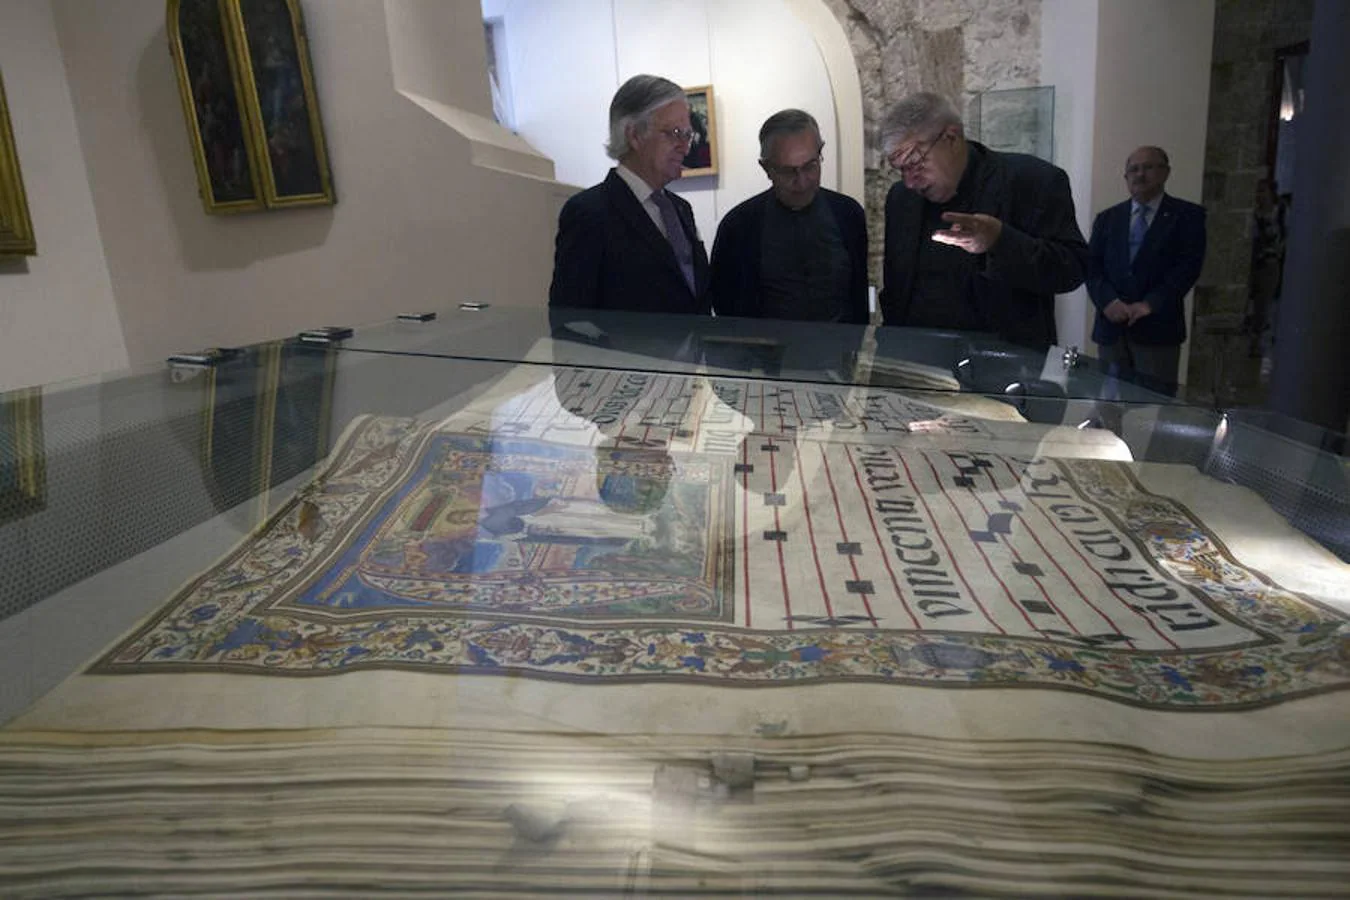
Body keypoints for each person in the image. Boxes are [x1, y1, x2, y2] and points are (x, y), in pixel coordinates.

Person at [878, 92, 1089, 351]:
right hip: (918, 364)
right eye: (901, 170)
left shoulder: (1033, 181)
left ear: (951, 137)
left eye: (915, 163)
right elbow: (896, 289)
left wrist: (1000, 240)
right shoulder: (901, 199)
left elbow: (1071, 270)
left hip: (1005, 367)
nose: (910, 181)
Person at [549, 75, 711, 315]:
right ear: (634, 135)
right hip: (628, 353)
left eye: (687, 135)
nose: (685, 146)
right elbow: (571, 318)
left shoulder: (680, 209)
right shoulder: (589, 213)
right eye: (675, 133)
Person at [709, 109, 869, 324]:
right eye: (788, 171)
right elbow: (725, 306)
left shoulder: (848, 214)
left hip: (839, 352)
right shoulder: (738, 227)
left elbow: (858, 296)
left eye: (810, 166)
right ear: (766, 168)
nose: (802, 181)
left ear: (821, 154)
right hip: (763, 355)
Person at [1086, 146, 1206, 396]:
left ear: (1166, 172)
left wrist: (1150, 304)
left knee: (1154, 409)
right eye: (1133, 169)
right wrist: (1108, 302)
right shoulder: (1107, 218)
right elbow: (1091, 266)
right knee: (1109, 404)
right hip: (1111, 328)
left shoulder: (1188, 217)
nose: (1140, 175)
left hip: (1157, 327)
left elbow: (1188, 267)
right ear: (1126, 177)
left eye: (1148, 167)